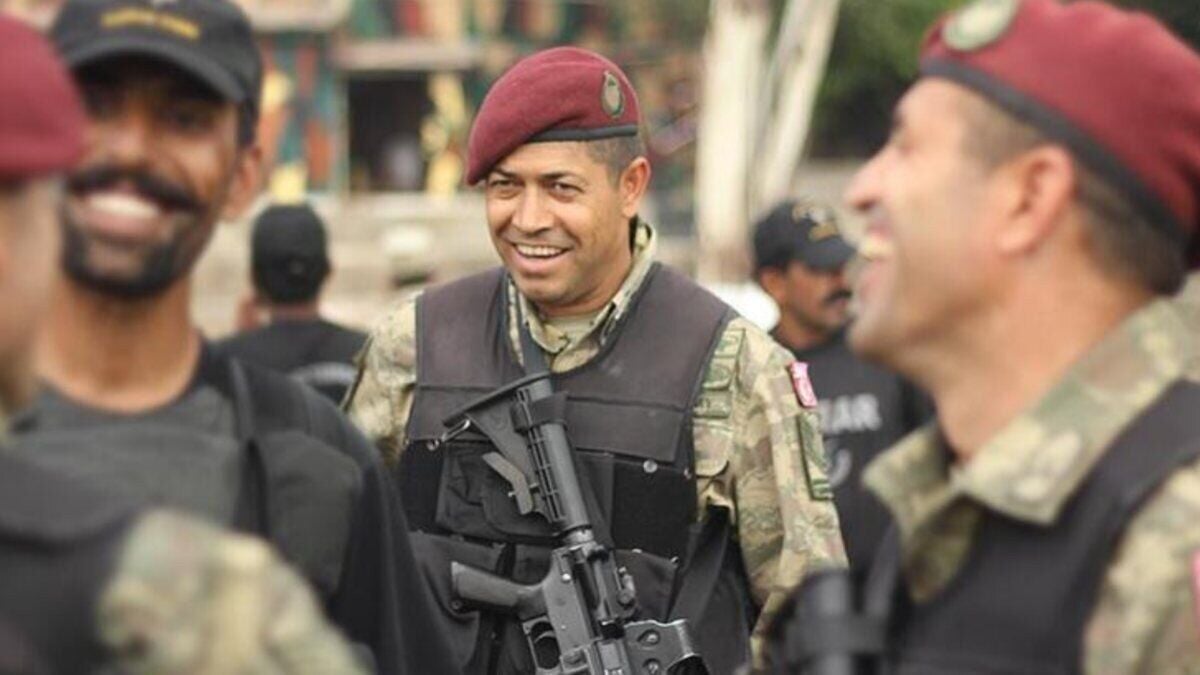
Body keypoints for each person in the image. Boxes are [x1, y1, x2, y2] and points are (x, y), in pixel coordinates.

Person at [345, 46, 846, 674]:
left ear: (630, 185)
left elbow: (810, 618)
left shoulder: (737, 369)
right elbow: (336, 559)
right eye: (505, 187)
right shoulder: (413, 345)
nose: (529, 219)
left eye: (561, 188)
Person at [9, 1, 459, 672]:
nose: (130, 149)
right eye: (95, 106)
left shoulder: (320, 460)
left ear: (243, 175)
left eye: (184, 119)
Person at [805, 0, 1200, 671]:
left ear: (1029, 198)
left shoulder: (1174, 538)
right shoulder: (943, 504)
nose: (863, 189)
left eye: (905, 146)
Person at [752, 200, 932, 580]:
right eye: (820, 270)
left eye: (841, 266)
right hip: (801, 598)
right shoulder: (757, 375)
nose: (840, 283)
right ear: (774, 283)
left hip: (895, 588)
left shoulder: (885, 352)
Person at [218, 202, 368, 403]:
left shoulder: (224, 367)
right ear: (328, 271)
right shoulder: (368, 357)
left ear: (253, 277)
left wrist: (242, 342)